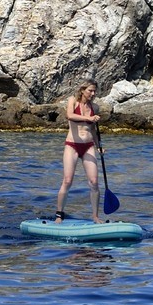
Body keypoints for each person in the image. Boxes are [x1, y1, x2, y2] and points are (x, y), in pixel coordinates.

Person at [54, 77, 103, 222]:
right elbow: (70, 115)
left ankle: (95, 216)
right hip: (72, 145)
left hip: (88, 146)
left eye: (94, 91)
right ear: (82, 90)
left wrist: (99, 146)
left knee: (94, 182)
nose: (93, 94)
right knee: (68, 180)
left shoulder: (95, 108)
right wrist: (89, 119)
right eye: (90, 91)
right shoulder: (72, 101)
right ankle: (59, 215)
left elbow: (93, 130)